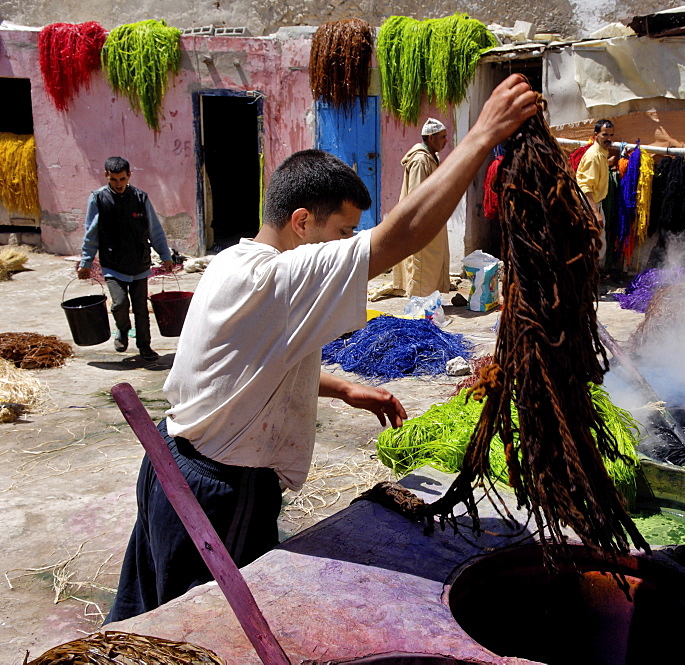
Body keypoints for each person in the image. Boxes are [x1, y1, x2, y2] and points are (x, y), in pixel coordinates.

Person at [104, 75, 537, 623]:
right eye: (342, 233)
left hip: (174, 467)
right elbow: (401, 236)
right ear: (302, 221)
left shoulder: (233, 263)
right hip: (219, 491)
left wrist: (343, 388)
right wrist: (481, 136)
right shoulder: (279, 279)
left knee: (154, 619)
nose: (346, 246)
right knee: (205, 632)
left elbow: (251, 368)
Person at [77, 157, 174, 361]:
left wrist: (166, 256)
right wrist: (86, 262)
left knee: (141, 308)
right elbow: (91, 233)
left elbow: (155, 231)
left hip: (139, 263)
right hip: (113, 264)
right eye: (113, 180)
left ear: (129, 175)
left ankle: (145, 346)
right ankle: (122, 330)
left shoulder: (140, 198)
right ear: (106, 176)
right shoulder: (98, 199)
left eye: (122, 179)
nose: (118, 184)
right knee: (120, 303)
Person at [388, 117, 452, 297]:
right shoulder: (419, 161)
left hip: (433, 220)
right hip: (423, 222)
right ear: (431, 138)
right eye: (442, 137)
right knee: (422, 263)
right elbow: (417, 195)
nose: (446, 141)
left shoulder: (432, 158)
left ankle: (429, 297)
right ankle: (420, 301)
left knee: (433, 262)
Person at [575, 119, 615, 265]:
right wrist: (595, 212)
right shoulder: (594, 156)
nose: (609, 139)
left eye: (611, 135)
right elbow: (585, 187)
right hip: (589, 205)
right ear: (596, 135)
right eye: (605, 135)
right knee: (592, 245)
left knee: (596, 244)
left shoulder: (601, 153)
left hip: (595, 204)